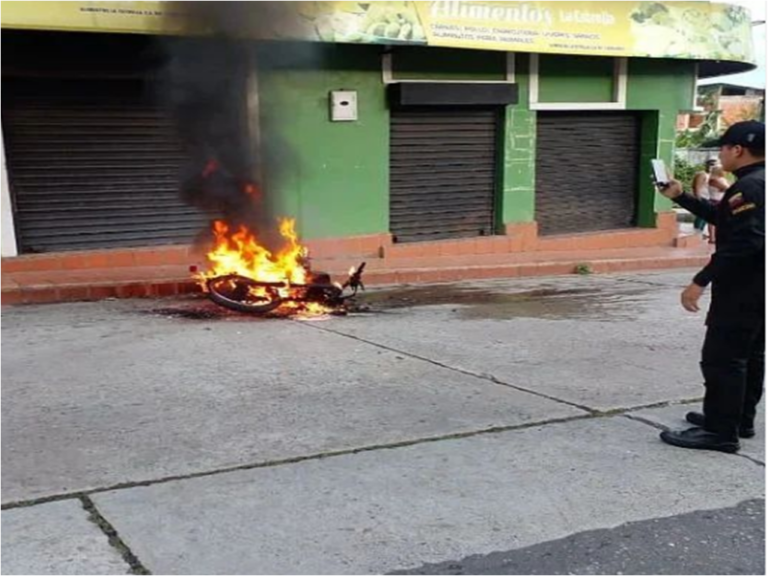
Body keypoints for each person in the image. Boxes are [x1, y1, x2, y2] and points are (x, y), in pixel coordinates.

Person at [657, 120, 765, 453]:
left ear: (737, 150)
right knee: (749, 354)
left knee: (722, 358)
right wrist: (681, 197)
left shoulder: (750, 187)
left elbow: (747, 242)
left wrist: (700, 281)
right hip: (757, 288)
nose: (719, 154)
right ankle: (738, 419)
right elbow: (726, 219)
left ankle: (720, 432)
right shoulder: (754, 183)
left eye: (722, 148)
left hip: (743, 289)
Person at [691, 159, 717, 235]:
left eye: (714, 165)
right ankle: (697, 232)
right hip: (702, 197)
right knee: (700, 216)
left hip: (709, 198)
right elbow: (696, 187)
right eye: (711, 164)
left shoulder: (712, 176)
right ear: (706, 165)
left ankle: (701, 232)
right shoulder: (702, 174)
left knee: (706, 217)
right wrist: (698, 198)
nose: (712, 167)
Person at [706, 165, 730, 243]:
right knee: (720, 220)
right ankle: (717, 237)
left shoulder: (710, 180)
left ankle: (711, 237)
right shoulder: (721, 180)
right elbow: (727, 189)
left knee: (711, 220)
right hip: (720, 201)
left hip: (711, 199)